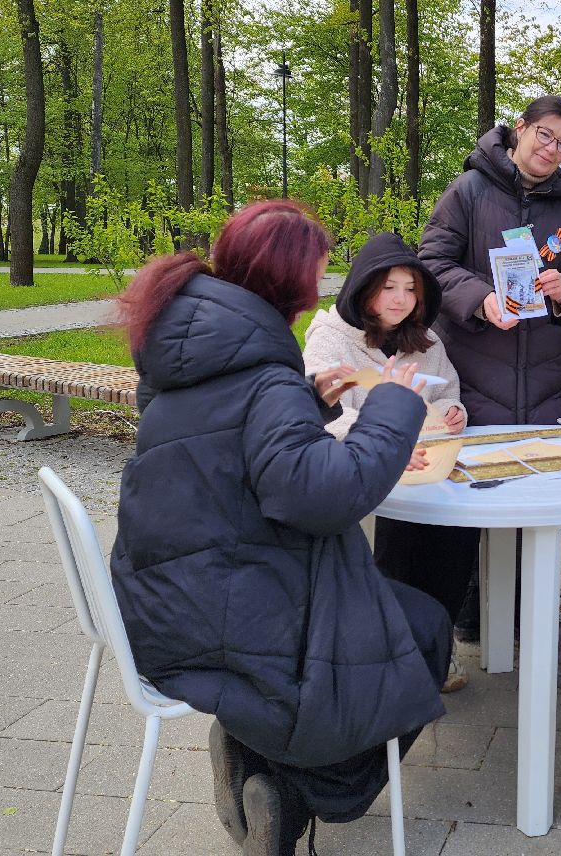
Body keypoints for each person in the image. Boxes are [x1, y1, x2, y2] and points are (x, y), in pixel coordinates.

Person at [110, 201, 449, 856]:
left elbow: (239, 451)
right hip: (227, 615)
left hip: (163, 601)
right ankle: (299, 791)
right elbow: (325, 498)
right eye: (317, 274)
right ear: (288, 283)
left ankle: (252, 756)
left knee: (392, 611)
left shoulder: (197, 348)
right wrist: (393, 406)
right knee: (423, 630)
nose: (320, 287)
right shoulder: (262, 376)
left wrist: (307, 404)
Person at [419, 95, 561, 640]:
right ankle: (457, 623)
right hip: (476, 369)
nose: (552, 149)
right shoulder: (469, 191)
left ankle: (519, 619)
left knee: (531, 495)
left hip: (545, 378)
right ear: (519, 129)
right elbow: (431, 261)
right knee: (466, 502)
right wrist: (479, 298)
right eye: (544, 134)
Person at [302, 231, 472, 693]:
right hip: (362, 469)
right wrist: (384, 434)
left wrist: (456, 412)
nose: (401, 299)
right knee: (398, 541)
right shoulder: (330, 339)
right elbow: (318, 413)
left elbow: (447, 392)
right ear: (364, 288)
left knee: (456, 533)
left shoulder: (427, 342)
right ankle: (394, 652)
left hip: (428, 463)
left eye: (411, 288)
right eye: (390, 287)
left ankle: (438, 644)